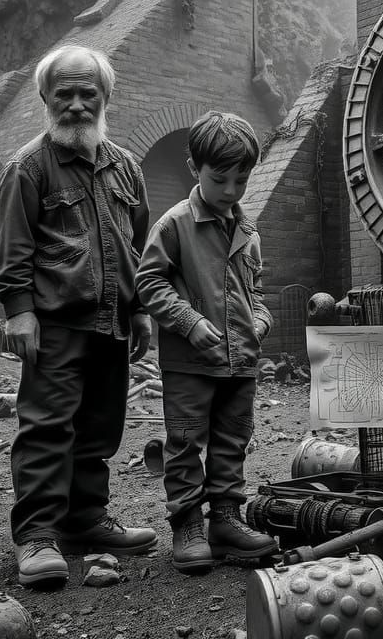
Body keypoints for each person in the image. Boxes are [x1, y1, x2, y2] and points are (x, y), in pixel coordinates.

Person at [0, 45, 157, 589]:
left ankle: (85, 521)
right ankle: (37, 535)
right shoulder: (28, 167)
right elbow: (12, 247)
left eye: (89, 93)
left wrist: (140, 311)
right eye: (65, 93)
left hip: (113, 322)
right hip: (56, 322)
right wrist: (19, 313)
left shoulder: (126, 167)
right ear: (45, 97)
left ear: (106, 97)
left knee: (100, 426)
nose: (77, 105)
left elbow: (137, 246)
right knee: (47, 427)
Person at [135, 111, 277, 574]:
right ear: (194, 168)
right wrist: (189, 321)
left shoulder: (249, 231)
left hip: (242, 362)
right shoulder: (174, 224)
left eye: (242, 180)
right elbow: (149, 282)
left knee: (233, 440)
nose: (232, 191)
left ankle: (227, 521)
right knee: (184, 442)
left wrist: (261, 321)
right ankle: (188, 525)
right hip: (191, 363)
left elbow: (256, 292)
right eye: (220, 180)